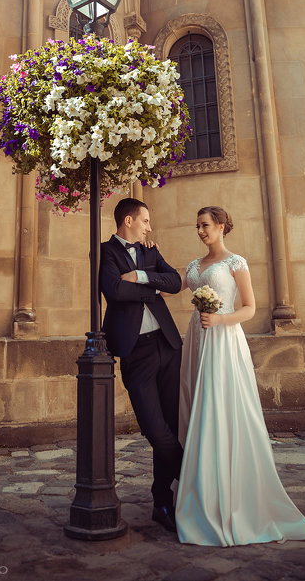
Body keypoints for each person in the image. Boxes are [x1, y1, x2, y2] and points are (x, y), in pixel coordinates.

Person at [175, 206, 305, 546]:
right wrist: (144, 268)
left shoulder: (235, 263)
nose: (201, 231)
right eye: (197, 226)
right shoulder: (193, 266)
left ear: (222, 226)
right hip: (197, 340)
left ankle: (230, 494)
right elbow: (171, 286)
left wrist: (220, 321)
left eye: (206, 225)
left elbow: (250, 308)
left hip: (224, 339)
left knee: (221, 407)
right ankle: (199, 489)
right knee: (195, 404)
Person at [100, 198, 183, 532]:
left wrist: (141, 276)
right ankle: (191, 474)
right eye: (146, 221)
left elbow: (175, 282)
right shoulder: (106, 252)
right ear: (130, 220)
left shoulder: (150, 252)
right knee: (153, 427)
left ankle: (162, 502)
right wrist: (151, 288)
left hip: (168, 345)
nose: (150, 227)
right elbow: (114, 291)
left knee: (171, 424)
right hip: (136, 353)